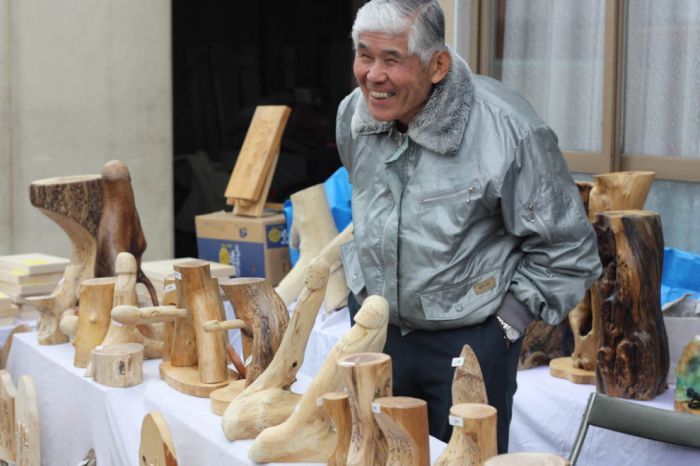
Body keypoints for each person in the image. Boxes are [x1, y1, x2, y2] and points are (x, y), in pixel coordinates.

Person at [336, 0, 602, 453]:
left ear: (437, 65)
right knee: (374, 457)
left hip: (469, 343)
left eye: (392, 60)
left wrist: (503, 329)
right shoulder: (354, 115)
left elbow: (569, 251)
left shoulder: (508, 130)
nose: (373, 76)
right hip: (377, 332)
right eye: (365, 55)